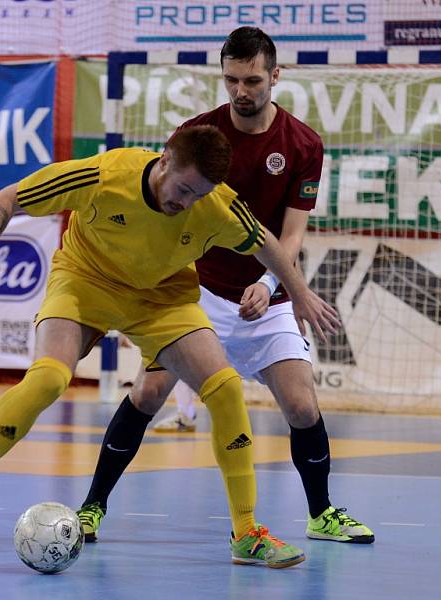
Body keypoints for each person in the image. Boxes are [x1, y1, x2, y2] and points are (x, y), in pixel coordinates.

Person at [0, 124, 341, 569]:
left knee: (226, 388)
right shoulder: (105, 175)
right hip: (84, 283)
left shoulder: (215, 205)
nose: (186, 203)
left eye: (199, 195)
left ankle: (246, 532)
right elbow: (9, 198)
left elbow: (267, 243)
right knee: (47, 380)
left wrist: (300, 294)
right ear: (164, 160)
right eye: (183, 189)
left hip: (162, 299)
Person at [78, 27, 374, 545]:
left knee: (303, 405)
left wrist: (269, 281)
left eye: (253, 80)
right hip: (198, 293)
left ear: (275, 76)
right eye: (232, 79)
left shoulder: (303, 145)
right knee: (148, 392)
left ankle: (322, 514)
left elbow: (292, 234)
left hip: (268, 293)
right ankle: (91, 507)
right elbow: (170, 218)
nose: (241, 91)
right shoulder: (197, 135)